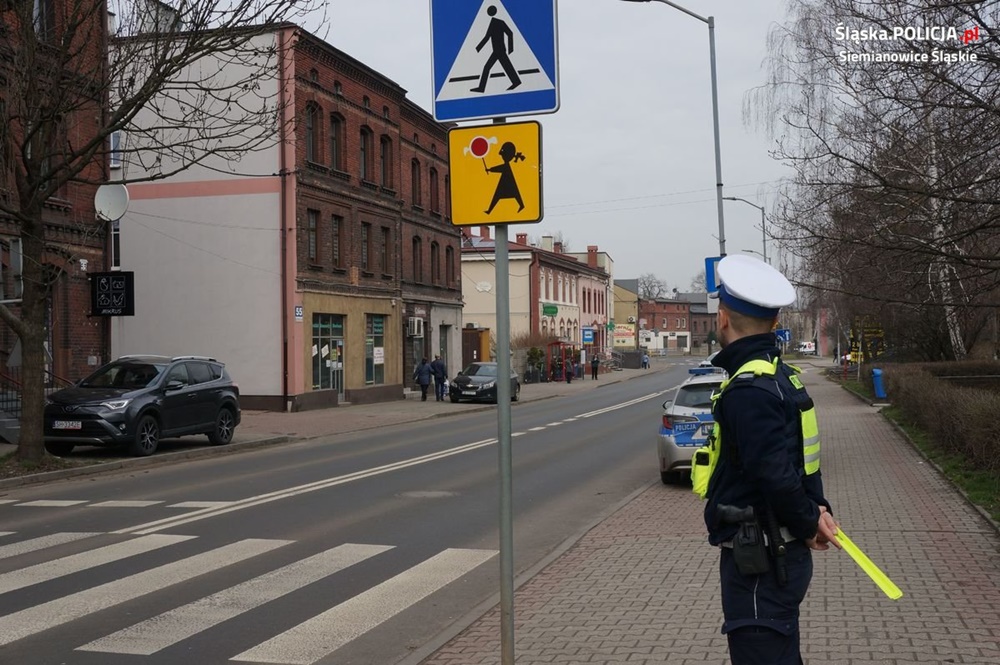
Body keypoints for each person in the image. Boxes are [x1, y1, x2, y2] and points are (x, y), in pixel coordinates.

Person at [700, 254, 840, 665]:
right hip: (776, 554)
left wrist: (807, 519)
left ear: (722, 319)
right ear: (775, 324)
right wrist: (816, 511)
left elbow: (774, 473)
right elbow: (801, 461)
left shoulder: (748, 390)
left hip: (760, 560)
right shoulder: (780, 376)